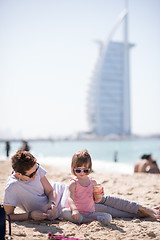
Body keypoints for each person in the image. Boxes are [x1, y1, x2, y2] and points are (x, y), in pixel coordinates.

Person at [3, 150, 160, 222]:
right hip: (68, 205)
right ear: (17, 174)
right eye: (31, 175)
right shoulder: (12, 188)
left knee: (104, 199)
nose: (36, 175)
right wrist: (30, 216)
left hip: (65, 192)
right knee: (108, 210)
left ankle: (144, 208)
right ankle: (139, 213)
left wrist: (51, 202)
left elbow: (50, 190)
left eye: (36, 170)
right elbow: (6, 216)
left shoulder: (35, 168)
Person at [61, 150, 112, 225]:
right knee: (64, 212)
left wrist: (99, 196)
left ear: (89, 168)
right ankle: (88, 220)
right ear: (73, 169)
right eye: (78, 170)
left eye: (85, 170)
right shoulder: (74, 183)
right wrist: (74, 210)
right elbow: (70, 198)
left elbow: (96, 200)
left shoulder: (93, 182)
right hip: (77, 213)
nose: (82, 173)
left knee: (108, 217)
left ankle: (86, 220)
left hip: (90, 213)